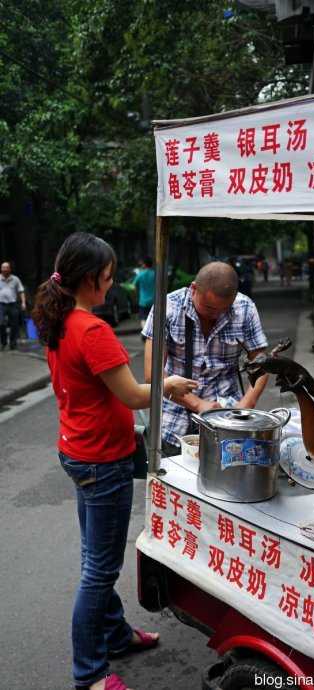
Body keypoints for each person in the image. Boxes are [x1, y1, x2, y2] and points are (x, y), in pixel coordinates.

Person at [32, 232, 197, 690]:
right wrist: (171, 385)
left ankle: (116, 635)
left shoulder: (59, 319)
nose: (112, 283)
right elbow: (132, 394)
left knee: (95, 557)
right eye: (108, 276)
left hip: (78, 450)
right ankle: (89, 673)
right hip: (102, 460)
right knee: (100, 569)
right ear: (90, 280)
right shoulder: (92, 330)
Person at [143, 261, 269, 457]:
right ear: (194, 289)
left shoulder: (244, 308)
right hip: (173, 424)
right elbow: (152, 375)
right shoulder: (167, 308)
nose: (215, 315)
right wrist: (198, 404)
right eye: (209, 307)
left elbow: (262, 363)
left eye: (223, 309)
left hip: (228, 423)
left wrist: (247, 403)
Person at [0, 260, 26, 350]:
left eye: (6, 267)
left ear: (10, 269)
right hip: (1, 305)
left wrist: (23, 302)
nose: (5, 269)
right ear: (1, 269)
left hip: (13, 304)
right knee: (1, 323)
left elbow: (21, 291)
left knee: (14, 324)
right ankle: (3, 342)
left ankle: (13, 343)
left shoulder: (15, 279)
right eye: (3, 267)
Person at [133, 257, 155, 328]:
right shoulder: (155, 274)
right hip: (153, 301)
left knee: (143, 318)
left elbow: (133, 286)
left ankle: (144, 333)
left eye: (142, 264)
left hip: (143, 301)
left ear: (145, 265)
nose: (141, 265)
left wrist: (136, 294)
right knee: (152, 318)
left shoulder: (140, 274)